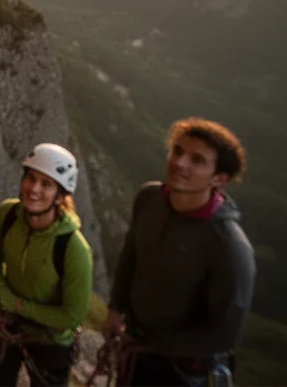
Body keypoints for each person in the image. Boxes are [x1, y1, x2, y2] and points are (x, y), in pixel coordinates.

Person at [105, 118, 255, 386]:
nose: (180, 163)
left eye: (197, 160)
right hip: (136, 348)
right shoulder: (149, 199)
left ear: (219, 179)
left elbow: (224, 334)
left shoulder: (229, 246)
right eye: (177, 151)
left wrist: (155, 345)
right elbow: (131, 256)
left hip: (180, 369)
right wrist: (115, 307)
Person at [0, 143, 93, 387]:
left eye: (46, 184)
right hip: (8, 325)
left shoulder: (74, 248)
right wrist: (2, 293)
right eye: (31, 178)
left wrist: (18, 305)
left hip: (51, 340)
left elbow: (72, 315)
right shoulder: (9, 214)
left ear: (60, 195)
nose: (34, 189)